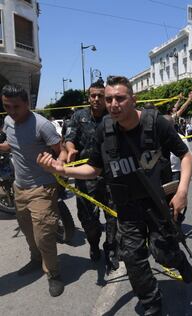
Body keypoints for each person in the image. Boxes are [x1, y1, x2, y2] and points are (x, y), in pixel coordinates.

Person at [37, 76, 192, 316]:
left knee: (163, 253)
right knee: (132, 258)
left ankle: (178, 260)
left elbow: (185, 156)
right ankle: (152, 304)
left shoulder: (156, 124)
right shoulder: (105, 130)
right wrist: (60, 170)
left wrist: (181, 191)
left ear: (134, 99)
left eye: (119, 98)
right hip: (127, 208)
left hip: (157, 202)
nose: (113, 104)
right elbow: (93, 169)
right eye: (109, 99)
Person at [0, 84, 67, 297]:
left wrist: (58, 165)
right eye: (6, 106)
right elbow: (12, 145)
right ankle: (36, 260)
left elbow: (62, 151)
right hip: (19, 188)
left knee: (44, 235)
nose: (11, 111)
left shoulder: (42, 125)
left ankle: (53, 274)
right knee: (28, 232)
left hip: (42, 187)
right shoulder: (8, 122)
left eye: (16, 107)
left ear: (27, 104)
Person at [64, 81, 118, 269]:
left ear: (105, 97)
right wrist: (70, 150)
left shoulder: (113, 116)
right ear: (88, 97)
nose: (96, 99)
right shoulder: (79, 117)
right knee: (88, 220)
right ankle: (94, 244)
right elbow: (69, 139)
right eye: (93, 95)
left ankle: (111, 248)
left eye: (100, 96)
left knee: (113, 217)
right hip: (86, 178)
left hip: (111, 176)